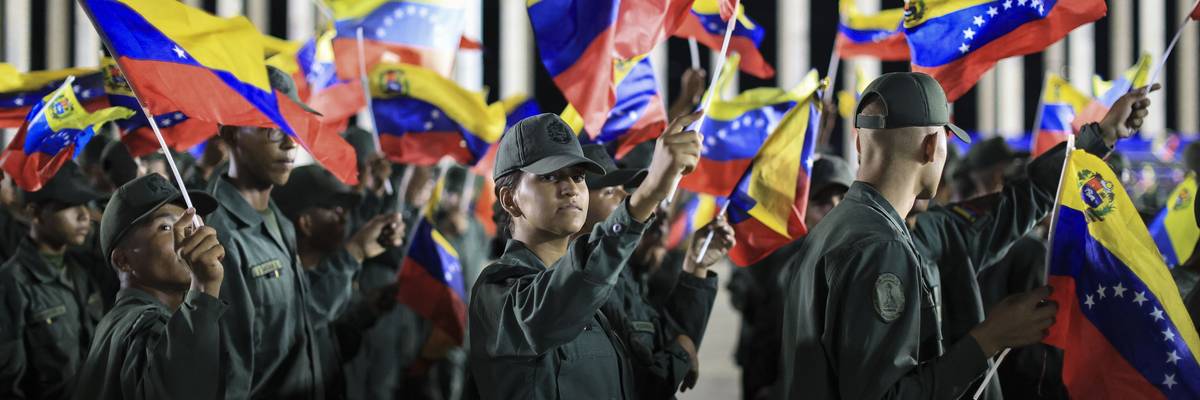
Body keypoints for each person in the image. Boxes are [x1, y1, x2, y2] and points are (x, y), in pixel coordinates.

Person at [779, 72, 1060, 400]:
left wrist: (1096, 141)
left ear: (858, 144)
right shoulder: (882, 245)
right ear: (931, 146)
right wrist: (988, 339)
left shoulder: (835, 227)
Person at [468, 112, 711, 399]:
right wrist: (646, 195)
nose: (570, 188)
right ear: (509, 199)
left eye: (578, 176)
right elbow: (561, 294)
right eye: (549, 176)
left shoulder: (594, 297)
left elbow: (642, 385)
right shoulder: (498, 292)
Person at [205, 66, 405, 399]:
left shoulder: (277, 221)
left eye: (292, 126)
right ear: (230, 132)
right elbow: (229, 371)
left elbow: (299, 314)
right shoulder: (219, 235)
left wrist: (357, 252)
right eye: (272, 128)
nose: (289, 143)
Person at [579, 144, 728, 398]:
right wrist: (680, 353)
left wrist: (696, 265)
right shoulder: (589, 284)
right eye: (610, 191)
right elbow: (642, 383)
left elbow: (664, 339)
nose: (624, 198)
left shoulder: (623, 275)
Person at [71, 174, 226, 400]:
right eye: (166, 227)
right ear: (123, 261)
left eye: (188, 223)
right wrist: (204, 288)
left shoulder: (120, 319)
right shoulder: (145, 327)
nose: (187, 235)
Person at [731, 155, 854, 400]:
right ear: (802, 211)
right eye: (821, 203)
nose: (834, 210)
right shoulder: (783, 267)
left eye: (842, 199)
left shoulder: (865, 260)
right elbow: (767, 342)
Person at [0, 163, 106, 400]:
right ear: (35, 213)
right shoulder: (12, 284)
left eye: (84, 204)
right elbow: (9, 384)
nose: (84, 215)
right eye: (69, 205)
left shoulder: (81, 272)